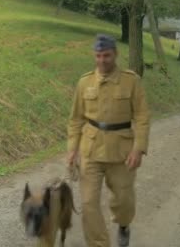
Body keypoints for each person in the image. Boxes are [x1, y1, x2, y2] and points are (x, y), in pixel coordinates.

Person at [67, 34, 150, 247]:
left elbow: (141, 117)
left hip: (122, 150)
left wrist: (138, 149)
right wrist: (72, 149)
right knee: (88, 203)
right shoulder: (84, 82)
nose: (102, 60)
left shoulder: (131, 81)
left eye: (106, 55)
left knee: (123, 199)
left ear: (115, 54)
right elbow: (76, 119)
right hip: (91, 149)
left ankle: (123, 225)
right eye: (98, 55)